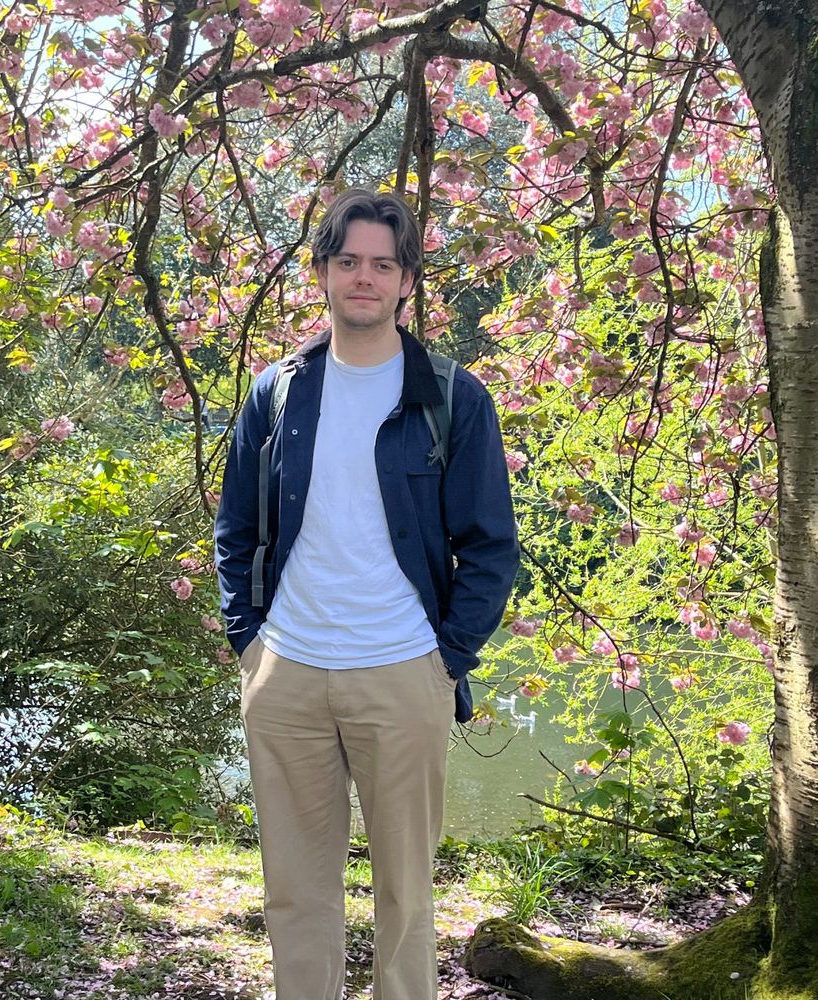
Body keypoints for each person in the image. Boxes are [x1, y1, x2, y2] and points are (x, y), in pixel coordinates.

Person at [214, 188, 519, 1000]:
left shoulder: (452, 397)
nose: (364, 279)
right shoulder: (277, 393)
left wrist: (444, 659)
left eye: (383, 264)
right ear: (321, 271)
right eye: (347, 261)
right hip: (288, 674)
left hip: (403, 671)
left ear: (407, 280)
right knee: (295, 896)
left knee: (406, 902)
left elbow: (490, 548)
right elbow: (235, 528)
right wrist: (251, 643)